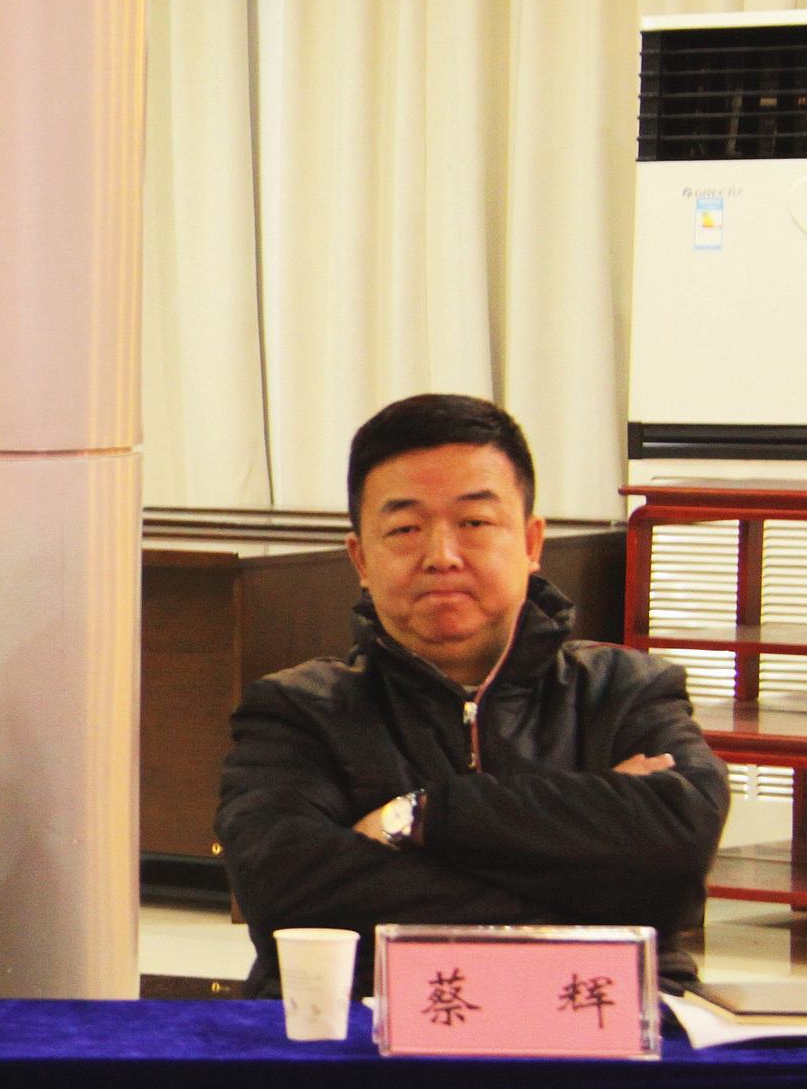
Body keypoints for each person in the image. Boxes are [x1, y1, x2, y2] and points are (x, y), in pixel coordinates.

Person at [216, 393, 728, 994]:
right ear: (360, 558)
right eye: (405, 529)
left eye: (475, 523)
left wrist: (420, 817)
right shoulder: (297, 710)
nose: (442, 556)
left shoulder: (625, 690)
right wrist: (585, 909)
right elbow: (290, 891)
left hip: (604, 1025)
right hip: (362, 1028)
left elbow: (677, 852)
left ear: (532, 543)